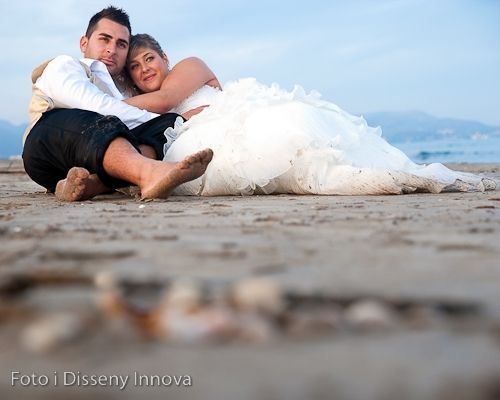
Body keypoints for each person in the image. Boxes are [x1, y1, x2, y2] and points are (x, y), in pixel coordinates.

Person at [125, 34, 496, 196]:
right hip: (199, 134)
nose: (144, 68)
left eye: (149, 58)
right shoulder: (147, 105)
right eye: (136, 67)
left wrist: (104, 102)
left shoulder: (188, 67)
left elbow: (166, 99)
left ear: (165, 58)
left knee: (292, 130)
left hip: (236, 113)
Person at [22, 7, 213, 202]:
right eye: (104, 39)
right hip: (49, 148)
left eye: (121, 44)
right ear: (84, 43)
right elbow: (96, 106)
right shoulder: (65, 65)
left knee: (160, 129)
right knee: (102, 119)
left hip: (95, 163)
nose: (111, 50)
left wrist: (168, 123)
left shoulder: (124, 88)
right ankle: (148, 172)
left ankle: (94, 184)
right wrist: (178, 121)